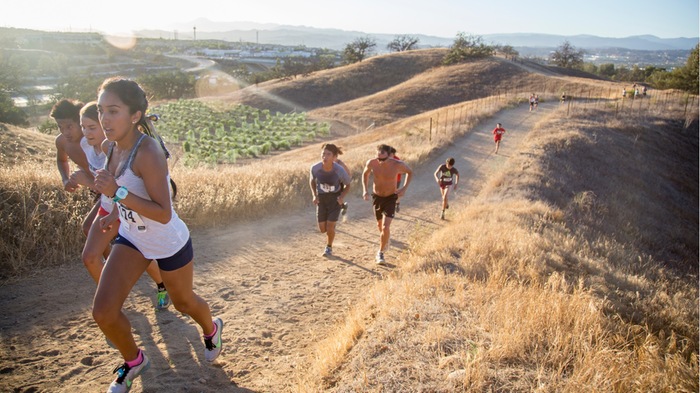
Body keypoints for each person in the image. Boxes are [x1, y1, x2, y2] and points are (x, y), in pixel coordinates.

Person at [92, 77, 223, 392]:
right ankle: (134, 361)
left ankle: (211, 328)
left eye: (113, 111)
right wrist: (113, 213)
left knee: (184, 302)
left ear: (135, 115)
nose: (104, 119)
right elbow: (120, 197)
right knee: (104, 312)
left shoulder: (148, 151)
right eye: (100, 110)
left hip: (168, 241)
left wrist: (117, 193)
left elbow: (163, 212)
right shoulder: (109, 147)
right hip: (133, 239)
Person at [69, 102, 170, 309]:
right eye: (84, 127)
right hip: (107, 205)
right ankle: (112, 303)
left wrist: (91, 186)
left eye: (92, 127)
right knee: (89, 257)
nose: (87, 133)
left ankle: (162, 284)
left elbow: (120, 187)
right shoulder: (85, 146)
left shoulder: (111, 147)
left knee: (142, 254)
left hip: (125, 207)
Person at [362, 144, 413, 265]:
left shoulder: (397, 164)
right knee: (380, 226)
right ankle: (386, 240)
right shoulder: (372, 163)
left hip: (391, 197)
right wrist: (365, 190)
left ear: (389, 156)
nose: (380, 161)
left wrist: (404, 189)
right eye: (378, 158)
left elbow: (410, 172)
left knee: (385, 227)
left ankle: (380, 253)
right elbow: (365, 174)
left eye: (383, 159)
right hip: (377, 197)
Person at [51, 99, 94, 237]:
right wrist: (65, 179)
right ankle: (108, 259)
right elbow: (61, 160)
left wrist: (89, 182)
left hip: (114, 190)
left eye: (69, 127)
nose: (65, 132)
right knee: (92, 229)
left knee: (91, 227)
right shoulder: (61, 141)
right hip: (96, 191)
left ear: (80, 122)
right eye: (60, 127)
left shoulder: (93, 140)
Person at [310, 143, 352, 257]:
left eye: (328, 154)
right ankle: (332, 225)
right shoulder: (315, 168)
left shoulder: (339, 170)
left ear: (334, 157)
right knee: (322, 229)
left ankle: (329, 247)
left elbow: (348, 184)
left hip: (335, 199)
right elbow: (312, 181)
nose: (325, 156)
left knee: (329, 227)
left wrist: (341, 197)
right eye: (323, 153)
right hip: (322, 199)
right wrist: (314, 195)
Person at [389, 146, 403, 213]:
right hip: (388, 180)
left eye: (390, 153)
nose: (388, 154)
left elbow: (402, 171)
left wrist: (395, 171)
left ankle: (397, 204)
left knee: (395, 193)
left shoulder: (397, 160)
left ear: (393, 154)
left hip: (396, 180)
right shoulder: (385, 159)